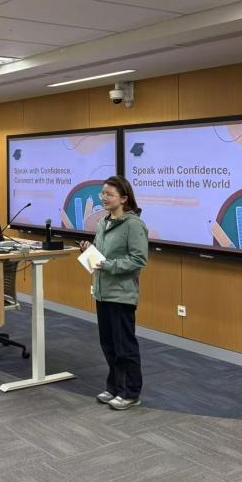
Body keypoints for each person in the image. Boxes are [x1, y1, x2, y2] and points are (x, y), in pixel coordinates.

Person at [80, 175, 149, 410]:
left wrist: (107, 265)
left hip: (121, 294)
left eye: (109, 194)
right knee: (108, 344)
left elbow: (138, 260)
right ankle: (115, 387)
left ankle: (131, 392)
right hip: (102, 292)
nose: (104, 197)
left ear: (124, 198)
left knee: (124, 346)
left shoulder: (133, 225)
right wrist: (89, 251)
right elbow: (101, 255)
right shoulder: (103, 222)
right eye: (103, 193)